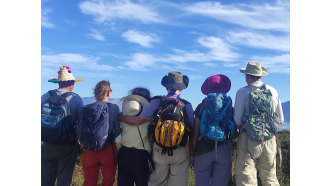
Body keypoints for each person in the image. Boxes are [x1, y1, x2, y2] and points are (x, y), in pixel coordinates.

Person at [119, 71, 194, 186]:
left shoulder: (157, 101)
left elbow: (139, 120)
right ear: (181, 89)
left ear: (166, 87)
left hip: (159, 150)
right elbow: (192, 130)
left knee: (154, 183)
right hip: (180, 151)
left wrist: (121, 117)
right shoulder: (186, 105)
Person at [234, 61, 284, 186]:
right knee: (270, 178)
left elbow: (237, 120)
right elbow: (281, 119)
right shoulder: (273, 91)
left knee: (246, 179)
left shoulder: (242, 92)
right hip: (269, 139)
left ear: (247, 76)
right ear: (261, 75)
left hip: (248, 139)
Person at [41, 66, 84, 186]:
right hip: (67, 145)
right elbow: (80, 122)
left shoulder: (46, 96)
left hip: (47, 143)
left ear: (58, 82)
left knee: (45, 179)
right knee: (64, 180)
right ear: (71, 83)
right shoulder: (76, 98)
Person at [191, 74, 235, 186]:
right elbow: (234, 131)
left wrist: (193, 152)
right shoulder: (229, 107)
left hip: (204, 148)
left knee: (201, 182)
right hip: (224, 148)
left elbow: (195, 133)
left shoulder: (201, 106)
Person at [78, 80, 120, 186]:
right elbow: (117, 130)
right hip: (108, 148)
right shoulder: (114, 108)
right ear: (109, 93)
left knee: (89, 181)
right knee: (108, 181)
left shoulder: (86, 108)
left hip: (90, 149)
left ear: (95, 93)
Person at [117, 87, 152, 186]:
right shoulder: (148, 118)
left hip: (124, 153)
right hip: (141, 155)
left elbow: (118, 131)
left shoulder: (122, 117)